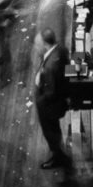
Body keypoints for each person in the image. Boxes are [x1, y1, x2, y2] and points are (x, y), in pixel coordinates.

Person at [34, 27, 70, 169]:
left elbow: (51, 93)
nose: (36, 47)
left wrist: (39, 101)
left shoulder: (50, 67)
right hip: (59, 98)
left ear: (45, 45)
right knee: (54, 131)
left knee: (50, 133)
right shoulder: (61, 49)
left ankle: (59, 158)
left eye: (37, 44)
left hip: (49, 107)